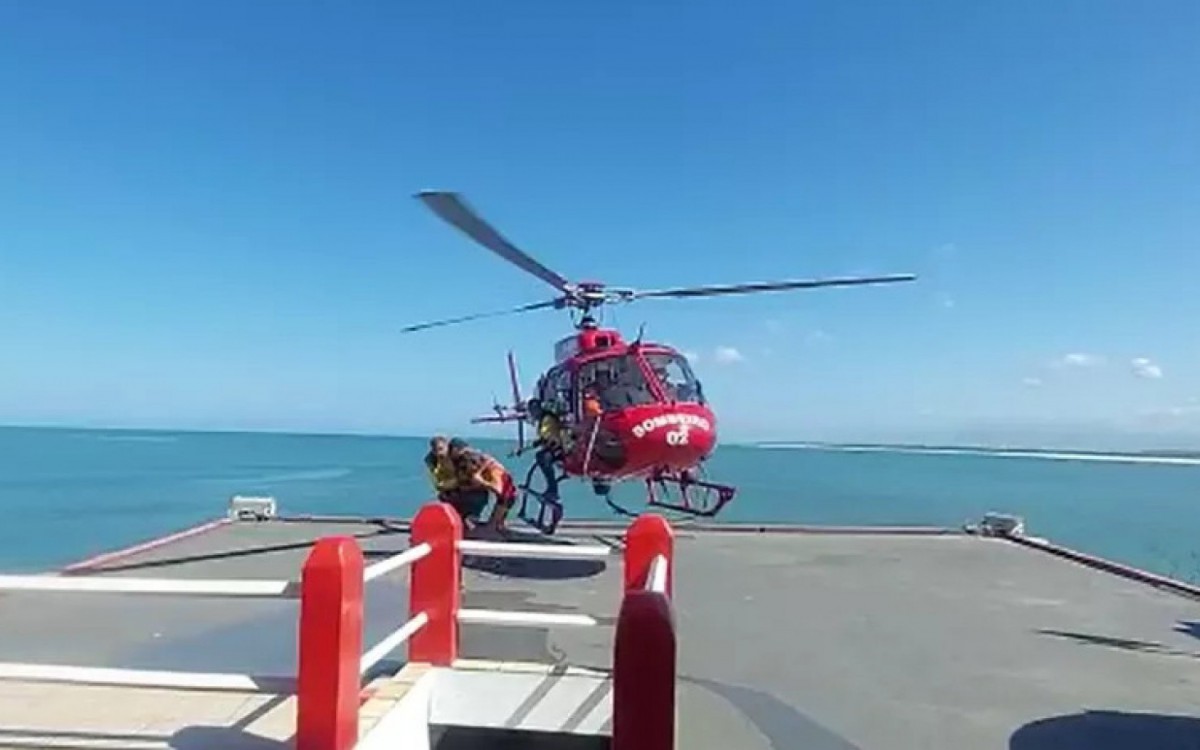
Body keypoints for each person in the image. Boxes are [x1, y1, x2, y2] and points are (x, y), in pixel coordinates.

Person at [449, 438, 518, 533]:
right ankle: (470, 519)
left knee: (492, 527)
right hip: (485, 481)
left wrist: (482, 482)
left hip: (504, 493)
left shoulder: (495, 471)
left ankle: (497, 524)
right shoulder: (470, 462)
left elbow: (498, 490)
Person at [425, 436, 487, 525]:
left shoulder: (459, 455)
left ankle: (471, 518)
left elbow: (476, 462)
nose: (439, 453)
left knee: (477, 495)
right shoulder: (432, 461)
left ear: (447, 446)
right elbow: (437, 481)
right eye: (435, 450)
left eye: (441, 449)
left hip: (470, 488)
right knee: (445, 497)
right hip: (451, 488)